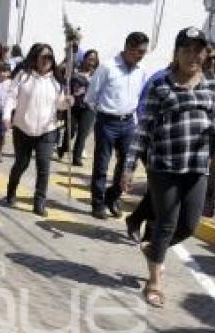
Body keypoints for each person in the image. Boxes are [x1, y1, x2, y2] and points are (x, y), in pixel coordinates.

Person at [121, 27, 215, 308]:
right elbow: (143, 131)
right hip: (163, 166)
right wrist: (129, 167)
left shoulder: (212, 85)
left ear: (205, 53)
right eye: (187, 49)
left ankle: (153, 249)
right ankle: (153, 283)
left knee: (189, 226)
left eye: (198, 50)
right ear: (176, 53)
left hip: (197, 166)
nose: (193, 55)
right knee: (166, 222)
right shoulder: (161, 86)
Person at [84, 31, 149, 219]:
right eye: (139, 51)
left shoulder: (141, 71)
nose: (141, 56)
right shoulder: (107, 67)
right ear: (128, 48)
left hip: (129, 123)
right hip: (107, 122)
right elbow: (91, 97)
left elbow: (140, 98)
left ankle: (112, 197)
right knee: (102, 164)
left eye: (144, 52)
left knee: (127, 164)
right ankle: (97, 203)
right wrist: (104, 112)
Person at [2, 43, 72, 216]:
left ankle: (39, 202)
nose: (46, 61)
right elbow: (11, 97)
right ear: (35, 58)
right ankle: (11, 191)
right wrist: (6, 116)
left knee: (44, 167)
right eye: (43, 57)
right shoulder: (23, 76)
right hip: (22, 127)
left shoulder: (57, 81)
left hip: (47, 130)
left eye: (50, 58)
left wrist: (68, 102)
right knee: (21, 163)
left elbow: (60, 105)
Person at [57, 49, 99, 166]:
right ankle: (63, 148)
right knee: (70, 131)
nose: (91, 62)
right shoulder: (74, 71)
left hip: (89, 108)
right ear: (84, 59)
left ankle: (77, 157)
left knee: (82, 133)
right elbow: (60, 72)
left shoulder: (97, 74)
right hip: (73, 105)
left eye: (94, 60)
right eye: (90, 59)